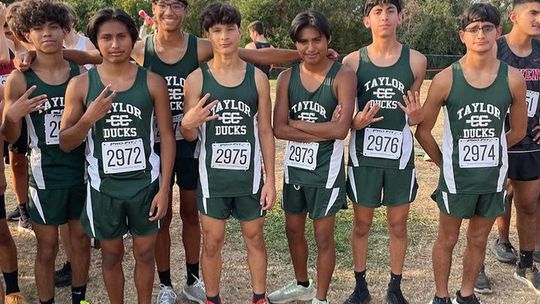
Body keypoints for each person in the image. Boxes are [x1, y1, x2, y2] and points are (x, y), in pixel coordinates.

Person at [59, 7, 174, 304]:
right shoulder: (81, 84)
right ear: (95, 41)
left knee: (145, 254)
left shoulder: (152, 82)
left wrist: (164, 190)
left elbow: (168, 138)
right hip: (103, 189)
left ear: (132, 38)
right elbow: (65, 142)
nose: (114, 44)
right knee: (111, 255)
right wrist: (88, 119)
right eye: (106, 37)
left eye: (121, 36)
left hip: (145, 187)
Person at [415, 3, 527, 304]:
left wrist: (494, 152)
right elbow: (422, 131)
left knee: (478, 239)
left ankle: (465, 295)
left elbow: (517, 131)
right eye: (474, 29)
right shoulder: (446, 79)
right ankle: (440, 296)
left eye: (487, 27)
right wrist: (445, 163)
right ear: (462, 36)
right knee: (447, 239)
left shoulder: (513, 78)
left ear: (498, 32)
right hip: (456, 179)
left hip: (491, 179)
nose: (481, 34)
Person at [180, 2, 275, 303]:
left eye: (230, 29)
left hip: (249, 178)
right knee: (212, 242)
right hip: (213, 178)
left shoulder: (257, 78)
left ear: (238, 31)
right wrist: (187, 123)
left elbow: (265, 131)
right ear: (208, 34)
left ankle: (258, 297)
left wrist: (271, 179)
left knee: (255, 238)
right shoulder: (196, 79)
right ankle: (212, 298)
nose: (224, 37)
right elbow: (188, 134)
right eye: (216, 31)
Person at [1, 1, 92, 303]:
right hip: (44, 176)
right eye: (38, 28)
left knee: (79, 241)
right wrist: (12, 116)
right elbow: (11, 136)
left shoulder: (79, 71)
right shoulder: (19, 79)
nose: (47, 33)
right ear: (26, 34)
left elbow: (100, 57)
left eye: (53, 26)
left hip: (80, 170)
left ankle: (80, 298)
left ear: (65, 29)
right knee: (48, 247)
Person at [341, 0, 426, 303]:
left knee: (397, 224)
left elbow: (416, 114)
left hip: (399, 155)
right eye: (377, 11)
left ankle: (395, 287)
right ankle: (360, 285)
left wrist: (416, 118)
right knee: (361, 223)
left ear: (400, 17)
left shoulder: (416, 61)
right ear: (366, 20)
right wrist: (355, 121)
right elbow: (345, 116)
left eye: (390, 10)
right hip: (365, 155)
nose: (384, 17)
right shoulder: (352, 62)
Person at [268, 10, 355, 304]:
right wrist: (323, 129)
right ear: (295, 44)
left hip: (326, 173)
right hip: (295, 170)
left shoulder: (342, 75)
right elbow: (278, 129)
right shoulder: (286, 78)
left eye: (316, 40)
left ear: (327, 39)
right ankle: (302, 284)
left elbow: (341, 130)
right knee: (292, 230)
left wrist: (298, 123)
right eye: (303, 41)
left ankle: (321, 297)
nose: (310, 48)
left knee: (323, 237)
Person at [477, 0, 540, 295]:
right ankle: (476, 267)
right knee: (489, 205)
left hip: (529, 143)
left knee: (528, 205)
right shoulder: (493, 46)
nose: (539, 19)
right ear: (514, 16)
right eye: (534, 13)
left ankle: (526, 265)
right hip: (495, 140)